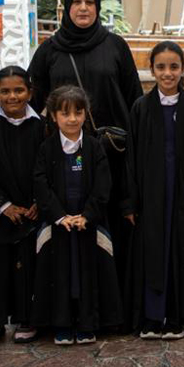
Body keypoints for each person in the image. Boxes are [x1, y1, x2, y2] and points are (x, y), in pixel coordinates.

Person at [0, 0, 142, 292]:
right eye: (77, 2)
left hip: (111, 155)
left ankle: (112, 308)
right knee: (71, 230)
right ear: (67, 8)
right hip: (65, 159)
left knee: (110, 227)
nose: (83, 8)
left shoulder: (115, 46)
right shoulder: (51, 50)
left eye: (89, 2)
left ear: (98, 7)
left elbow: (134, 98)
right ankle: (71, 306)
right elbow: (28, 95)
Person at [124, 41, 184, 340]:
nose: (167, 73)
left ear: (183, 70)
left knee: (179, 254)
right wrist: (131, 202)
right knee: (150, 255)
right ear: (151, 70)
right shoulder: (140, 108)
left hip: (181, 198)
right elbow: (131, 159)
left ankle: (176, 317)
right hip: (150, 198)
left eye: (174, 67)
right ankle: (151, 317)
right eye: (161, 67)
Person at [32, 85, 122, 344]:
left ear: (86, 113)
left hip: (87, 226)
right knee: (59, 275)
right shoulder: (47, 149)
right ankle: (61, 324)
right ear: (53, 115)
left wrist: (87, 215)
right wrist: (60, 216)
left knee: (87, 274)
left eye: (77, 112)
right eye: (65, 113)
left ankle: (87, 323)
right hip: (58, 226)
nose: (72, 119)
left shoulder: (94, 147)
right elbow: (40, 184)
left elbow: (103, 185)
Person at [0, 66, 45, 345]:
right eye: (5, 91)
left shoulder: (41, 126)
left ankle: (28, 317)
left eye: (19, 90)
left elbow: (46, 166)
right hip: (0, 213)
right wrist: (3, 206)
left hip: (31, 209)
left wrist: (39, 201)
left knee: (28, 263)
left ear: (30, 92)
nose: (12, 96)